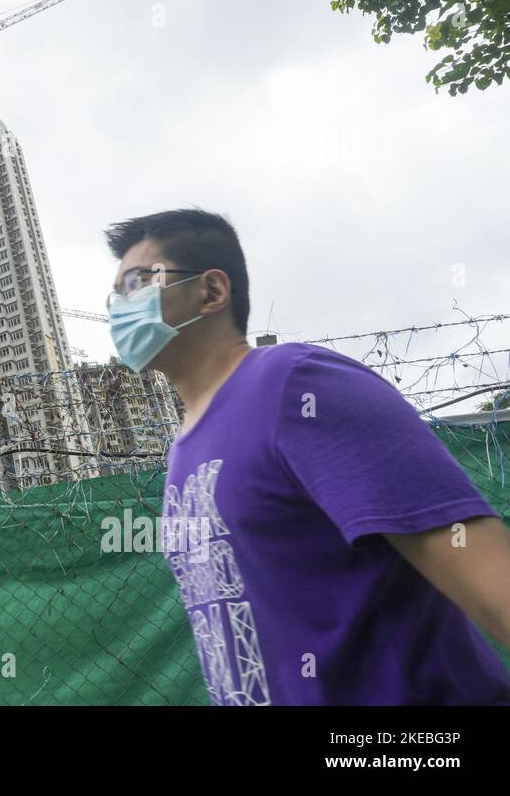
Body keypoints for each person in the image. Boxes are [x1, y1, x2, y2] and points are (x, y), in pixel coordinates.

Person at [103, 207, 510, 705]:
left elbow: (484, 570)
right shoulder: (184, 453)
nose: (123, 307)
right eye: (117, 293)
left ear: (211, 291)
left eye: (140, 282)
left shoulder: (296, 386)